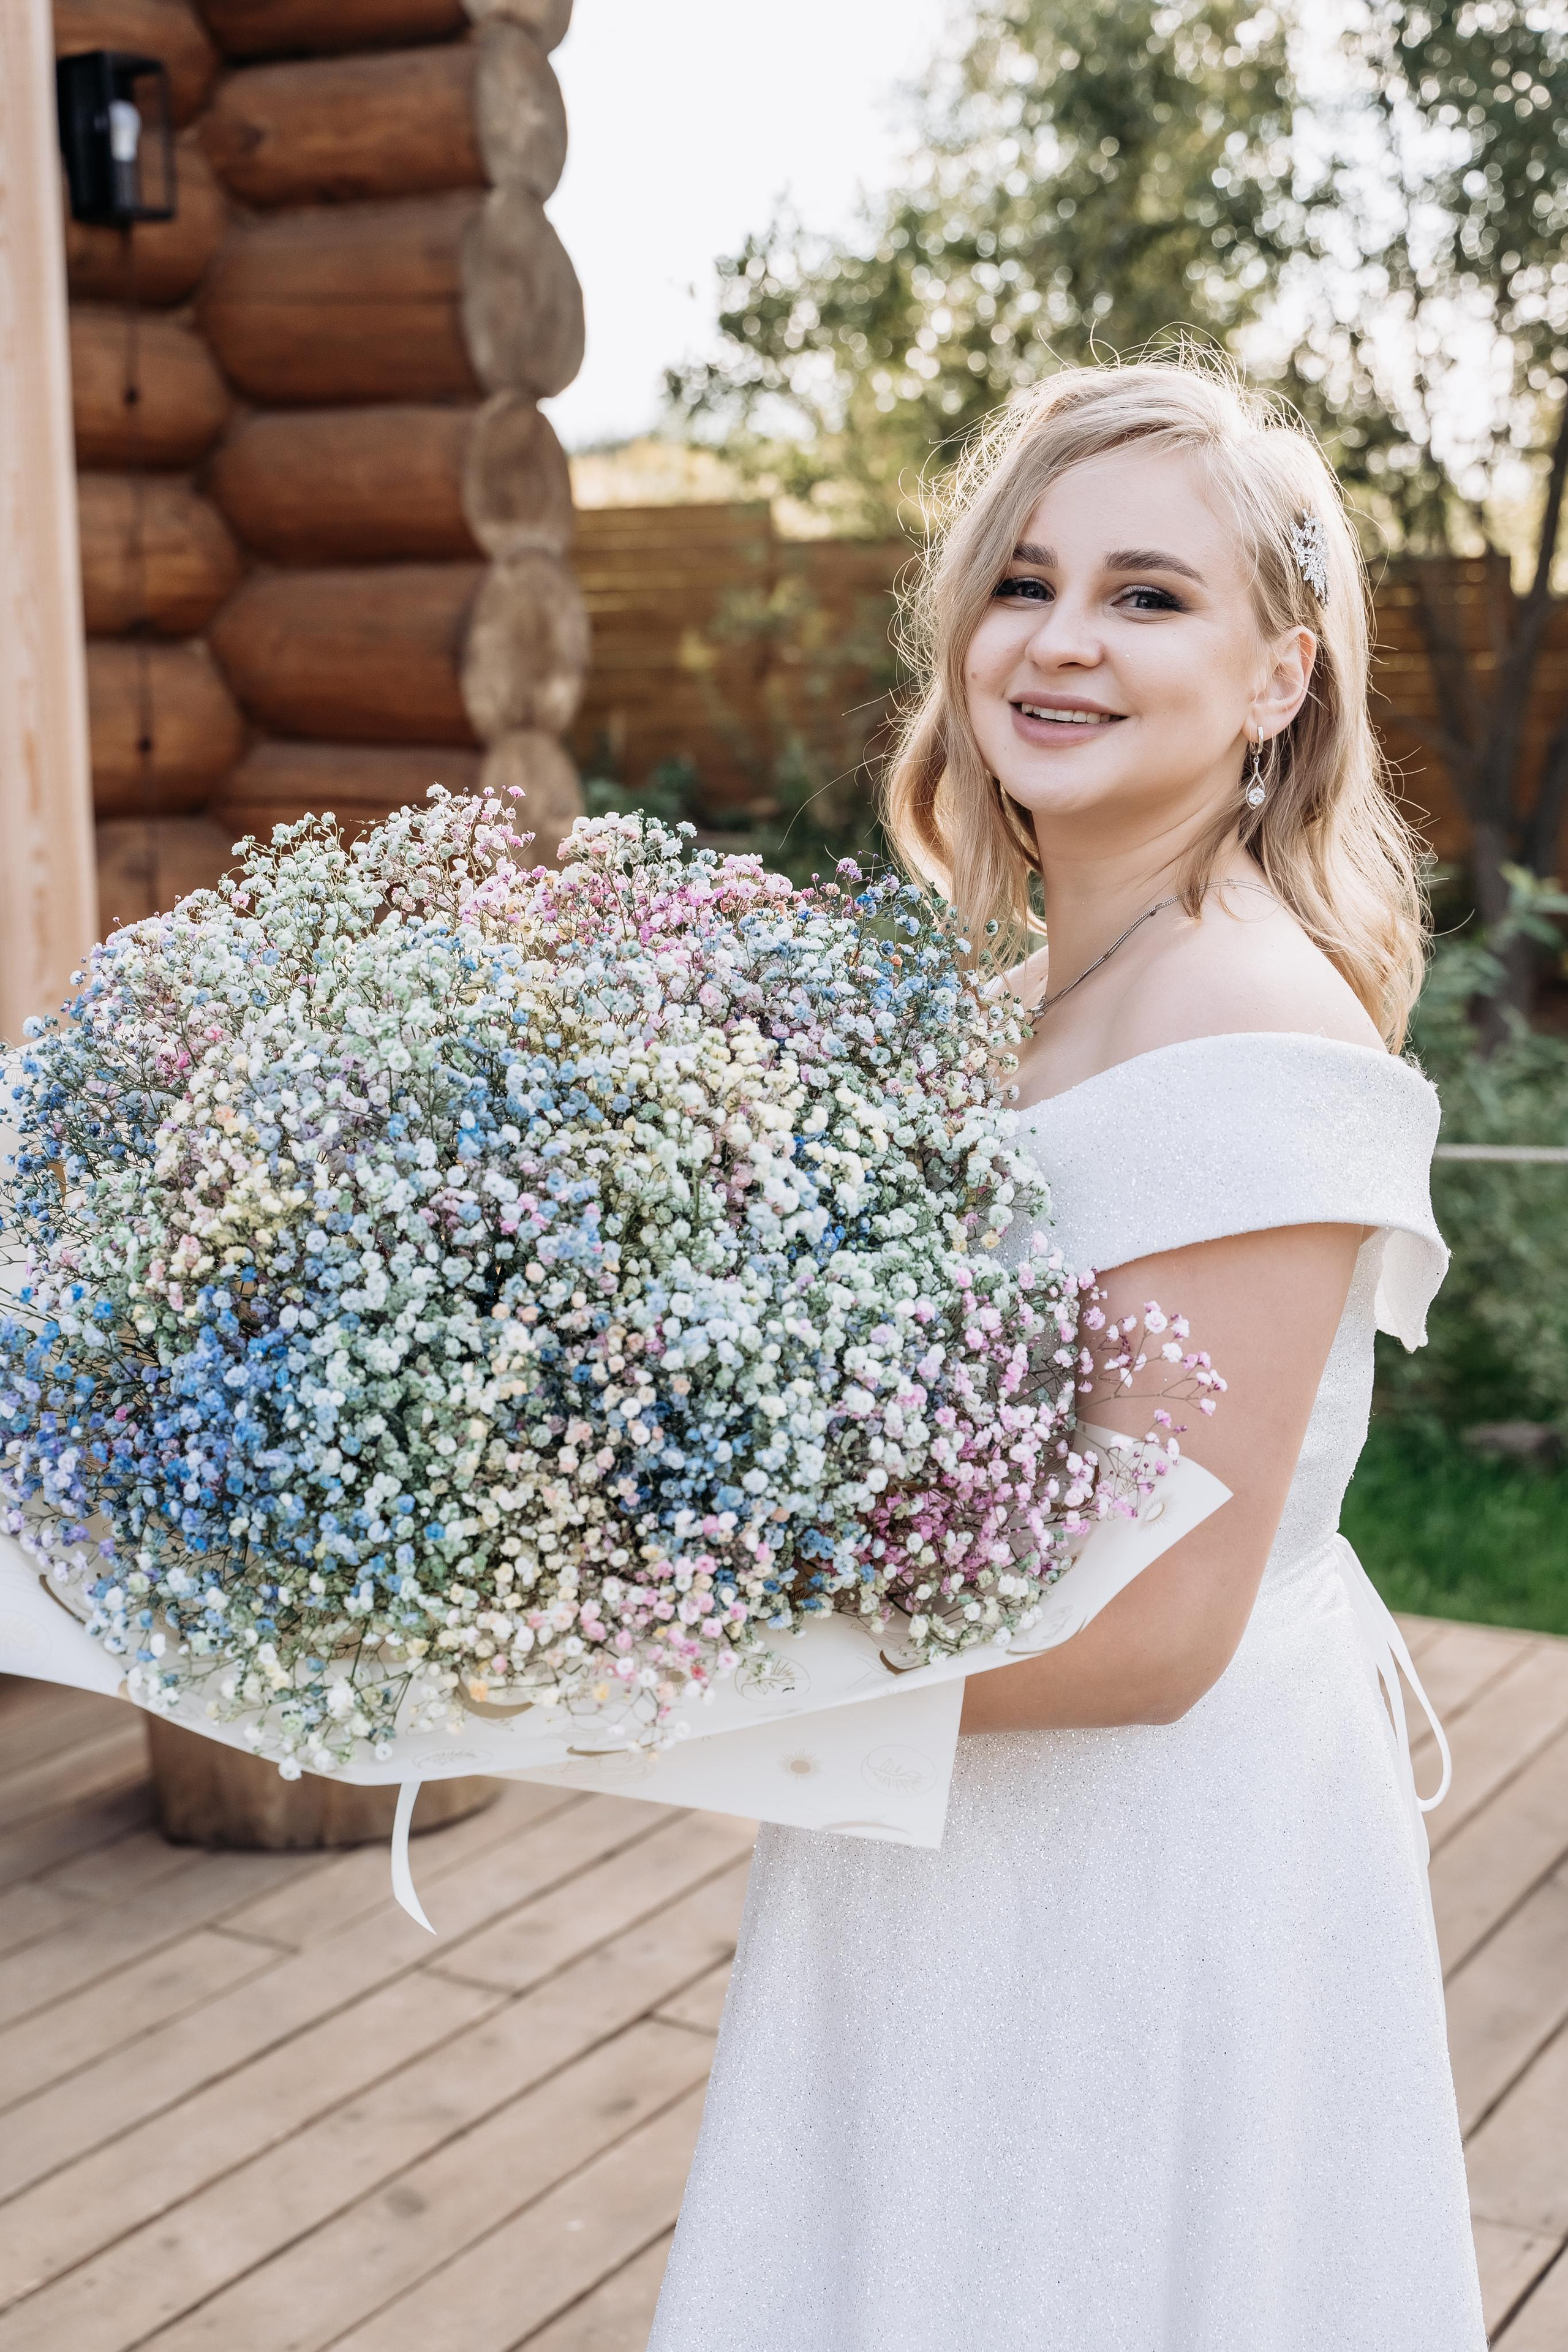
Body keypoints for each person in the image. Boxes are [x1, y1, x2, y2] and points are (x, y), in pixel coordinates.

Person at [647, 358, 1485, 2350]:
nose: (1062, 640)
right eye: (1023, 582)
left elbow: (1158, 1630)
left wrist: (657, 1676)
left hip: (1136, 1868)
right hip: (946, 1818)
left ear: (1281, 676)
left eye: (1148, 594)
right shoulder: (1031, 982)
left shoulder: (1252, 1026)